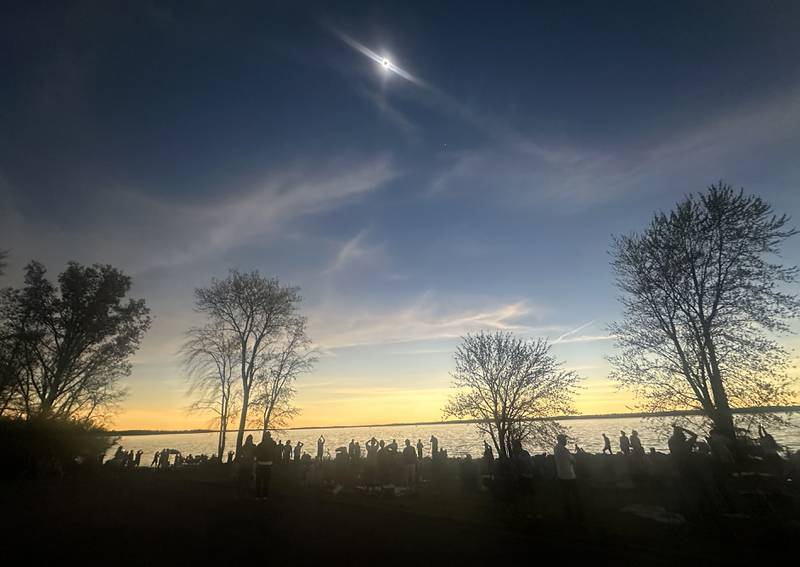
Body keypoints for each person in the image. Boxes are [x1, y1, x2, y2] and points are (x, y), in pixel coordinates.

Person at [554, 434, 582, 523]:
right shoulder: (564, 450)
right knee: (575, 494)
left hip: (561, 475)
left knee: (565, 495)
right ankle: (578, 512)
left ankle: (567, 512)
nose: (566, 441)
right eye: (564, 440)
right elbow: (573, 460)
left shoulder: (556, 448)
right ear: (561, 440)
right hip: (569, 475)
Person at [255, 432, 276, 500]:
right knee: (266, 481)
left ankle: (257, 495)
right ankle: (265, 495)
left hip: (260, 463)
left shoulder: (260, 445)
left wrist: (257, 460)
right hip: (268, 464)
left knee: (259, 480)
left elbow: (256, 453)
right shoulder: (272, 444)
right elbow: (274, 452)